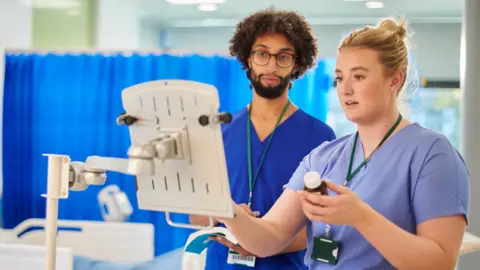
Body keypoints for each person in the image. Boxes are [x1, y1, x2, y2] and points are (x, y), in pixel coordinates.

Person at [215, 17, 470, 270]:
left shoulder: (432, 153)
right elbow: (269, 237)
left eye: (358, 77)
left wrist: (361, 217)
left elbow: (440, 262)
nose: (345, 89)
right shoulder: (323, 157)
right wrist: (227, 211)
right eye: (339, 78)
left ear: (395, 80)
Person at [189, 9, 336, 270]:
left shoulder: (321, 137)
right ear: (248, 57)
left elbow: (326, 226)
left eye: (283, 56)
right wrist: (229, 220)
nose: (271, 66)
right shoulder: (218, 131)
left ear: (297, 63)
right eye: (262, 54)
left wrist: (261, 241)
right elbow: (196, 216)